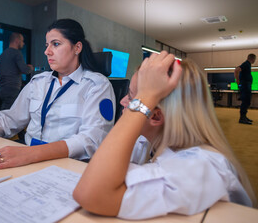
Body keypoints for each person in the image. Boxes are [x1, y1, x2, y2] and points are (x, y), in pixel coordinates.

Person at [73, 52, 256, 220]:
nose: (122, 101)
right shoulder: (145, 141)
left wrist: (144, 100)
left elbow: (90, 192)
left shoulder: (201, 166)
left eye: (131, 98)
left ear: (156, 115)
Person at [0, 18, 116, 168]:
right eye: (47, 44)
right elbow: (7, 121)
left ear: (77, 47)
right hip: (29, 158)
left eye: (56, 44)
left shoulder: (97, 85)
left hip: (67, 164)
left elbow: (91, 140)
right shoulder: (38, 82)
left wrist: (30, 154)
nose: (47, 51)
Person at [0, 32, 34, 110]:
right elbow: (25, 70)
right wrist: (30, 68)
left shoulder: (2, 55)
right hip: (12, 88)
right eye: (22, 41)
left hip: (2, 89)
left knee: (6, 110)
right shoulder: (17, 53)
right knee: (9, 113)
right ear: (17, 41)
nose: (23, 43)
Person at [234, 53, 256, 124]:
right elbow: (237, 70)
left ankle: (244, 117)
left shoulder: (248, 65)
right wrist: (237, 81)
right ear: (253, 59)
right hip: (245, 86)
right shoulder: (246, 64)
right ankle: (242, 118)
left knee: (247, 101)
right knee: (245, 101)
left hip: (246, 85)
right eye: (254, 59)